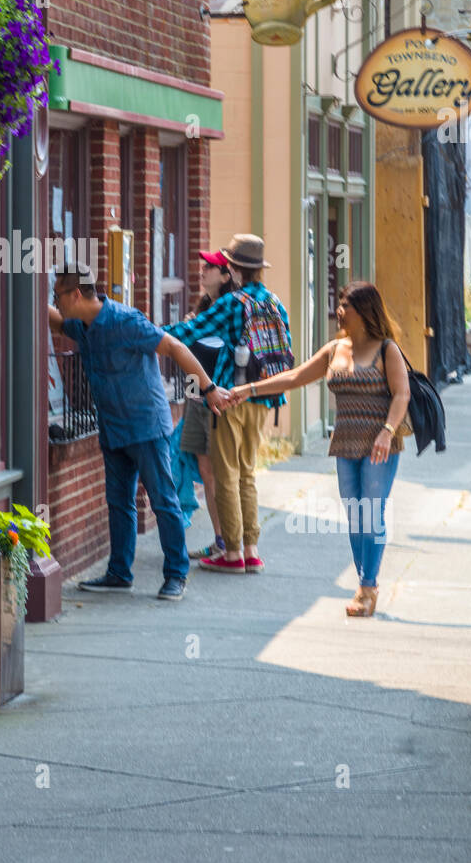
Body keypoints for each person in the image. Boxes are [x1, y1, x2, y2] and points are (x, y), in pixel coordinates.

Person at [227, 279, 410, 616]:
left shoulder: (387, 350)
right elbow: (295, 377)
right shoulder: (334, 349)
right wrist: (249, 389)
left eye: (345, 307)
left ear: (364, 311)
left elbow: (402, 394)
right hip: (345, 442)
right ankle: (364, 582)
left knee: (371, 512)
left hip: (379, 444)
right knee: (355, 516)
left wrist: (387, 431)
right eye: (339, 305)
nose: (339, 312)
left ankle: (367, 588)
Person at [49, 263, 230, 601]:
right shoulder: (84, 325)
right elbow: (58, 322)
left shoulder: (125, 321)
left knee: (163, 501)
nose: (55, 301)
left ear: (76, 294)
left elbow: (175, 347)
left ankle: (176, 574)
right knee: (119, 503)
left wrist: (208, 388)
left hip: (146, 425)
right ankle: (120, 573)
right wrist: (22, 290)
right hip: (113, 428)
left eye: (57, 294)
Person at [165, 234, 291, 573]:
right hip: (263, 395)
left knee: (226, 474)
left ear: (233, 269)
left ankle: (232, 553)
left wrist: (147, 331)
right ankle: (251, 549)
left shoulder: (232, 303)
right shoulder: (273, 301)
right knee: (247, 473)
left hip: (229, 397)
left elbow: (188, 333)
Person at [180, 250, 232, 560]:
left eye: (211, 267)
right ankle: (219, 539)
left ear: (226, 276)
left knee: (223, 470)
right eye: (203, 265)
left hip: (222, 400)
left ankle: (232, 539)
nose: (203, 270)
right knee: (205, 469)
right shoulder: (201, 310)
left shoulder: (230, 311)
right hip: (197, 398)